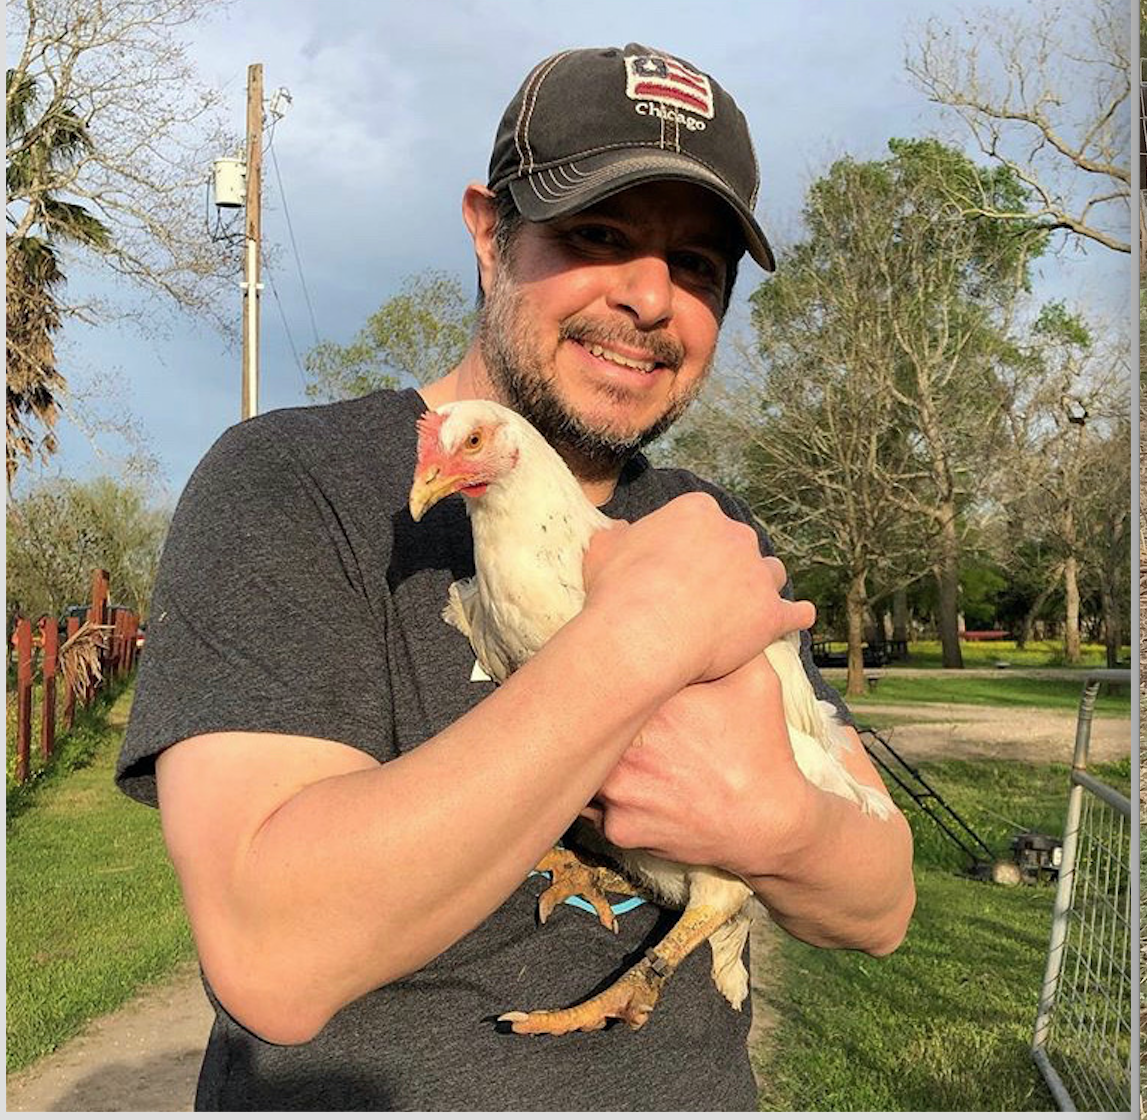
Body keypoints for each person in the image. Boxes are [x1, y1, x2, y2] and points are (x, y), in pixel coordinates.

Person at [117, 43, 915, 1109]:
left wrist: (777, 823)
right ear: (489, 237)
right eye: (597, 235)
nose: (650, 298)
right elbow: (273, 957)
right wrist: (644, 638)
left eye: (699, 266)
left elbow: (880, 904)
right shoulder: (288, 483)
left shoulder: (705, 522)